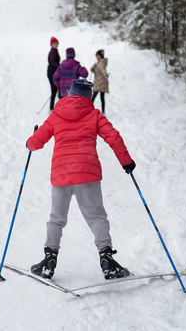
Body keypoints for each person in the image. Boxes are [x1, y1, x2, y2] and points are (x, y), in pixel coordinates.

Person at [27, 79, 136, 280]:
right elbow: (114, 137)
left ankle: (49, 260)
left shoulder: (56, 114)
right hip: (87, 173)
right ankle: (107, 260)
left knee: (56, 219)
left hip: (61, 174)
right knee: (96, 217)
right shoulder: (94, 114)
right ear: (89, 96)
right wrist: (126, 162)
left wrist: (30, 141)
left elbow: (36, 142)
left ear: (69, 94)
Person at [91, 49, 109, 114]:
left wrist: (105, 75)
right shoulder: (100, 62)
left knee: (94, 96)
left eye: (97, 55)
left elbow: (103, 70)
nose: (96, 57)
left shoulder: (100, 63)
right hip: (101, 81)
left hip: (100, 82)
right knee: (101, 97)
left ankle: (89, 109)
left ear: (100, 56)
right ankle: (103, 111)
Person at [47, 37, 60, 111]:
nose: (56, 45)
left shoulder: (55, 50)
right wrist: (59, 66)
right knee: (54, 89)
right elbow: (52, 61)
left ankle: (53, 106)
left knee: (55, 89)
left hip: (54, 72)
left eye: (57, 43)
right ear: (51, 44)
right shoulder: (53, 51)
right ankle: (51, 107)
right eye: (54, 43)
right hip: (52, 72)